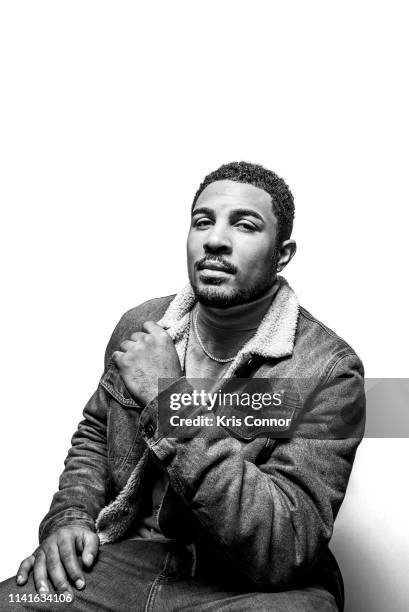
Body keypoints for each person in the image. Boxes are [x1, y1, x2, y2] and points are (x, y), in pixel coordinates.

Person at [0, 161, 365, 611]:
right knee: (13, 599)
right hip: (125, 561)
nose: (215, 239)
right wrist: (70, 518)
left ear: (283, 254)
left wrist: (170, 397)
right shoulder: (143, 326)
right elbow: (96, 435)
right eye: (203, 222)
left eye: (245, 225)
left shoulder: (329, 370)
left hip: (243, 586)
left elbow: (283, 546)